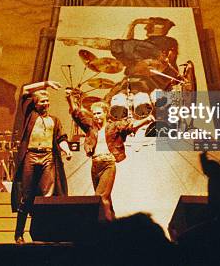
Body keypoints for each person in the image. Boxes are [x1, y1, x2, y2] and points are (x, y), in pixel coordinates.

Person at [66, 89, 153, 222]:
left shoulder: (114, 126)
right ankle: (113, 224)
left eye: (99, 113)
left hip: (108, 164)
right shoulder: (91, 128)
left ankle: (104, 229)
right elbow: (76, 114)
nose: (96, 116)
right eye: (94, 114)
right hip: (95, 164)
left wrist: (146, 120)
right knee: (106, 200)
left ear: (106, 113)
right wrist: (70, 99)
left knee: (101, 198)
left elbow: (130, 127)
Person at [11, 80, 72, 244]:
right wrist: (45, 84)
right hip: (31, 156)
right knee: (26, 196)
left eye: (47, 101)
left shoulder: (55, 120)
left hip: (48, 157)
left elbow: (61, 138)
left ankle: (46, 232)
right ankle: (18, 234)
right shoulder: (30, 115)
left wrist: (66, 150)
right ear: (35, 104)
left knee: (48, 196)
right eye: (42, 101)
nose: (45, 104)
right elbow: (24, 89)